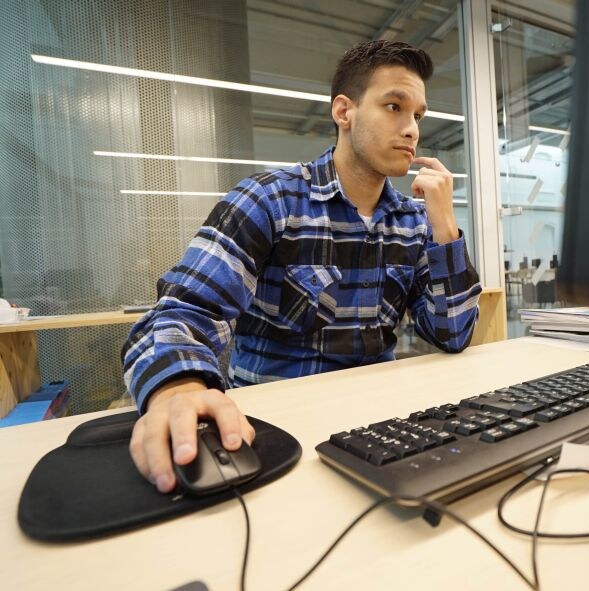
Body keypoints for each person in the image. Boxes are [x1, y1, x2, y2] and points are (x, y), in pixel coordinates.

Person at [123, 40, 482, 493]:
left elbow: (453, 333)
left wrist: (445, 226)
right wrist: (180, 391)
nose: (411, 129)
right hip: (277, 433)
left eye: (418, 116)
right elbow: (182, 313)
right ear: (343, 112)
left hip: (382, 432)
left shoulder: (414, 223)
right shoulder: (270, 200)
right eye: (394, 106)